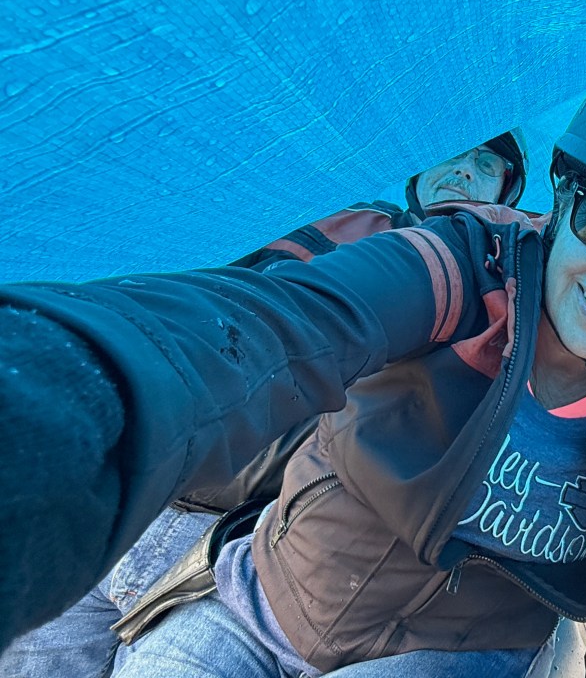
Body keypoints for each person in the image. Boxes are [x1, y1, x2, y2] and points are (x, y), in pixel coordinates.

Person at [0, 49, 586, 673]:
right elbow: (284, 324)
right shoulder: (464, 262)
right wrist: (65, 396)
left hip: (458, 658)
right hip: (264, 613)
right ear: (562, 195)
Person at [0, 130, 528, 668]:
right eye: (455, 150)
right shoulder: (330, 221)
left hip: (248, 543)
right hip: (143, 492)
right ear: (416, 169)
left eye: (487, 165)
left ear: (509, 194)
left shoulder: (512, 300)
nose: (465, 170)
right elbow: (227, 305)